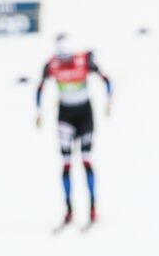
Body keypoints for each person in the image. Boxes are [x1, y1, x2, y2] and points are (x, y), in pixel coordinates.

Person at [35, 33, 113, 227]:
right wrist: (38, 112)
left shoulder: (83, 60)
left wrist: (109, 100)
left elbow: (106, 79)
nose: (64, 63)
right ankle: (69, 210)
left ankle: (92, 207)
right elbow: (40, 87)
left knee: (86, 159)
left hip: (85, 114)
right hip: (65, 116)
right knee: (66, 162)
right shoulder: (51, 64)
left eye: (67, 58)